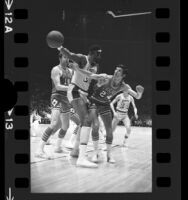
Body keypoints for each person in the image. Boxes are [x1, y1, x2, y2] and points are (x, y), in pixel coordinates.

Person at [59, 44, 105, 167]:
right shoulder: (82, 58)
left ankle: (75, 150)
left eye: (100, 54)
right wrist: (59, 46)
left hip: (83, 94)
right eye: (97, 54)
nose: (99, 56)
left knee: (83, 122)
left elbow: (91, 82)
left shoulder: (95, 66)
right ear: (91, 53)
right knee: (86, 120)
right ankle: (81, 159)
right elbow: (69, 54)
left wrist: (99, 84)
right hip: (75, 90)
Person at [88, 64, 144, 163]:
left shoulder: (123, 86)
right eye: (115, 69)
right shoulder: (106, 77)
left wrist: (140, 93)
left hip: (105, 104)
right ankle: (95, 153)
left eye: (119, 71)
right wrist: (77, 70)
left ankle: (109, 155)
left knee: (109, 131)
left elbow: (137, 96)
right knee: (95, 126)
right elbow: (91, 75)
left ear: (123, 75)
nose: (115, 71)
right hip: (94, 102)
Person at [35, 52, 73, 159]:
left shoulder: (70, 71)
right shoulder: (56, 69)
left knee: (65, 126)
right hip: (57, 96)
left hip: (66, 99)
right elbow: (58, 86)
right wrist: (71, 88)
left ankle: (58, 147)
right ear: (60, 58)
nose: (67, 59)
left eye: (68, 57)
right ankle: (39, 150)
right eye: (65, 57)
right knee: (54, 123)